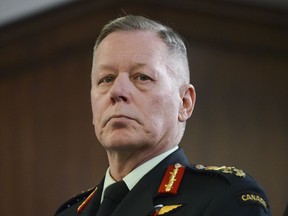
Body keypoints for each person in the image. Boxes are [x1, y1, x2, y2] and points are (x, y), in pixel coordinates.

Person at [55, 15, 271, 216]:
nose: (117, 92)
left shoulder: (225, 199)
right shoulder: (69, 212)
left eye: (142, 77)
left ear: (184, 103)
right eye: (106, 79)